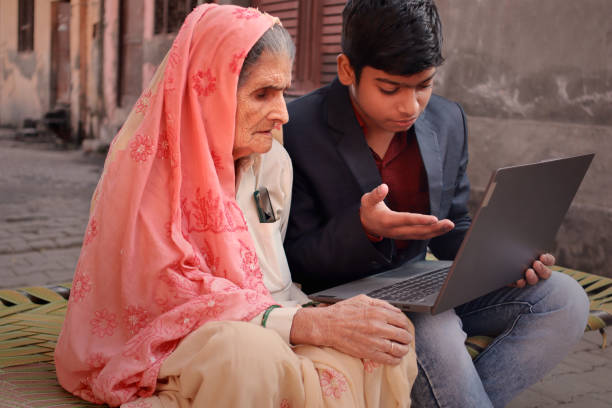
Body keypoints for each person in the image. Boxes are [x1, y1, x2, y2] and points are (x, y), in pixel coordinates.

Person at [54, 4, 418, 407]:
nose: (281, 114)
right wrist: (304, 324)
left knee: (386, 342)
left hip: (266, 319)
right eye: (262, 94)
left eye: (283, 92)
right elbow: (166, 294)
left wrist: (321, 320)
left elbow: (271, 278)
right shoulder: (145, 170)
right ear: (207, 91)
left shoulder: (272, 162)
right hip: (167, 341)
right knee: (247, 356)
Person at [282, 0, 590, 407]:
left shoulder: (448, 121)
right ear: (346, 70)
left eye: (424, 85)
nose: (410, 106)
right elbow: (295, 258)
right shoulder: (297, 128)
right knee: (435, 325)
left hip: (424, 284)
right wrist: (365, 228)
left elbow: (453, 225)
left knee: (565, 298)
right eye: (390, 89)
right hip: (345, 297)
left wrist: (504, 254)